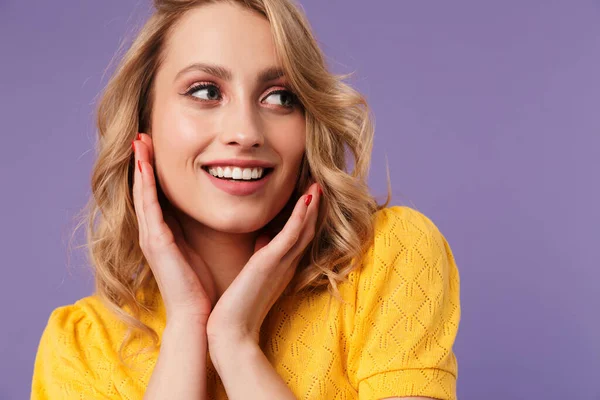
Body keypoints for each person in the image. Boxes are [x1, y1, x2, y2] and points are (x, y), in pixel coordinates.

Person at [30, 0, 461, 399]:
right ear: (144, 122)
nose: (245, 131)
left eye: (280, 97)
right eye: (204, 91)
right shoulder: (80, 346)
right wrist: (185, 326)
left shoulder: (386, 257)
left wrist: (235, 344)